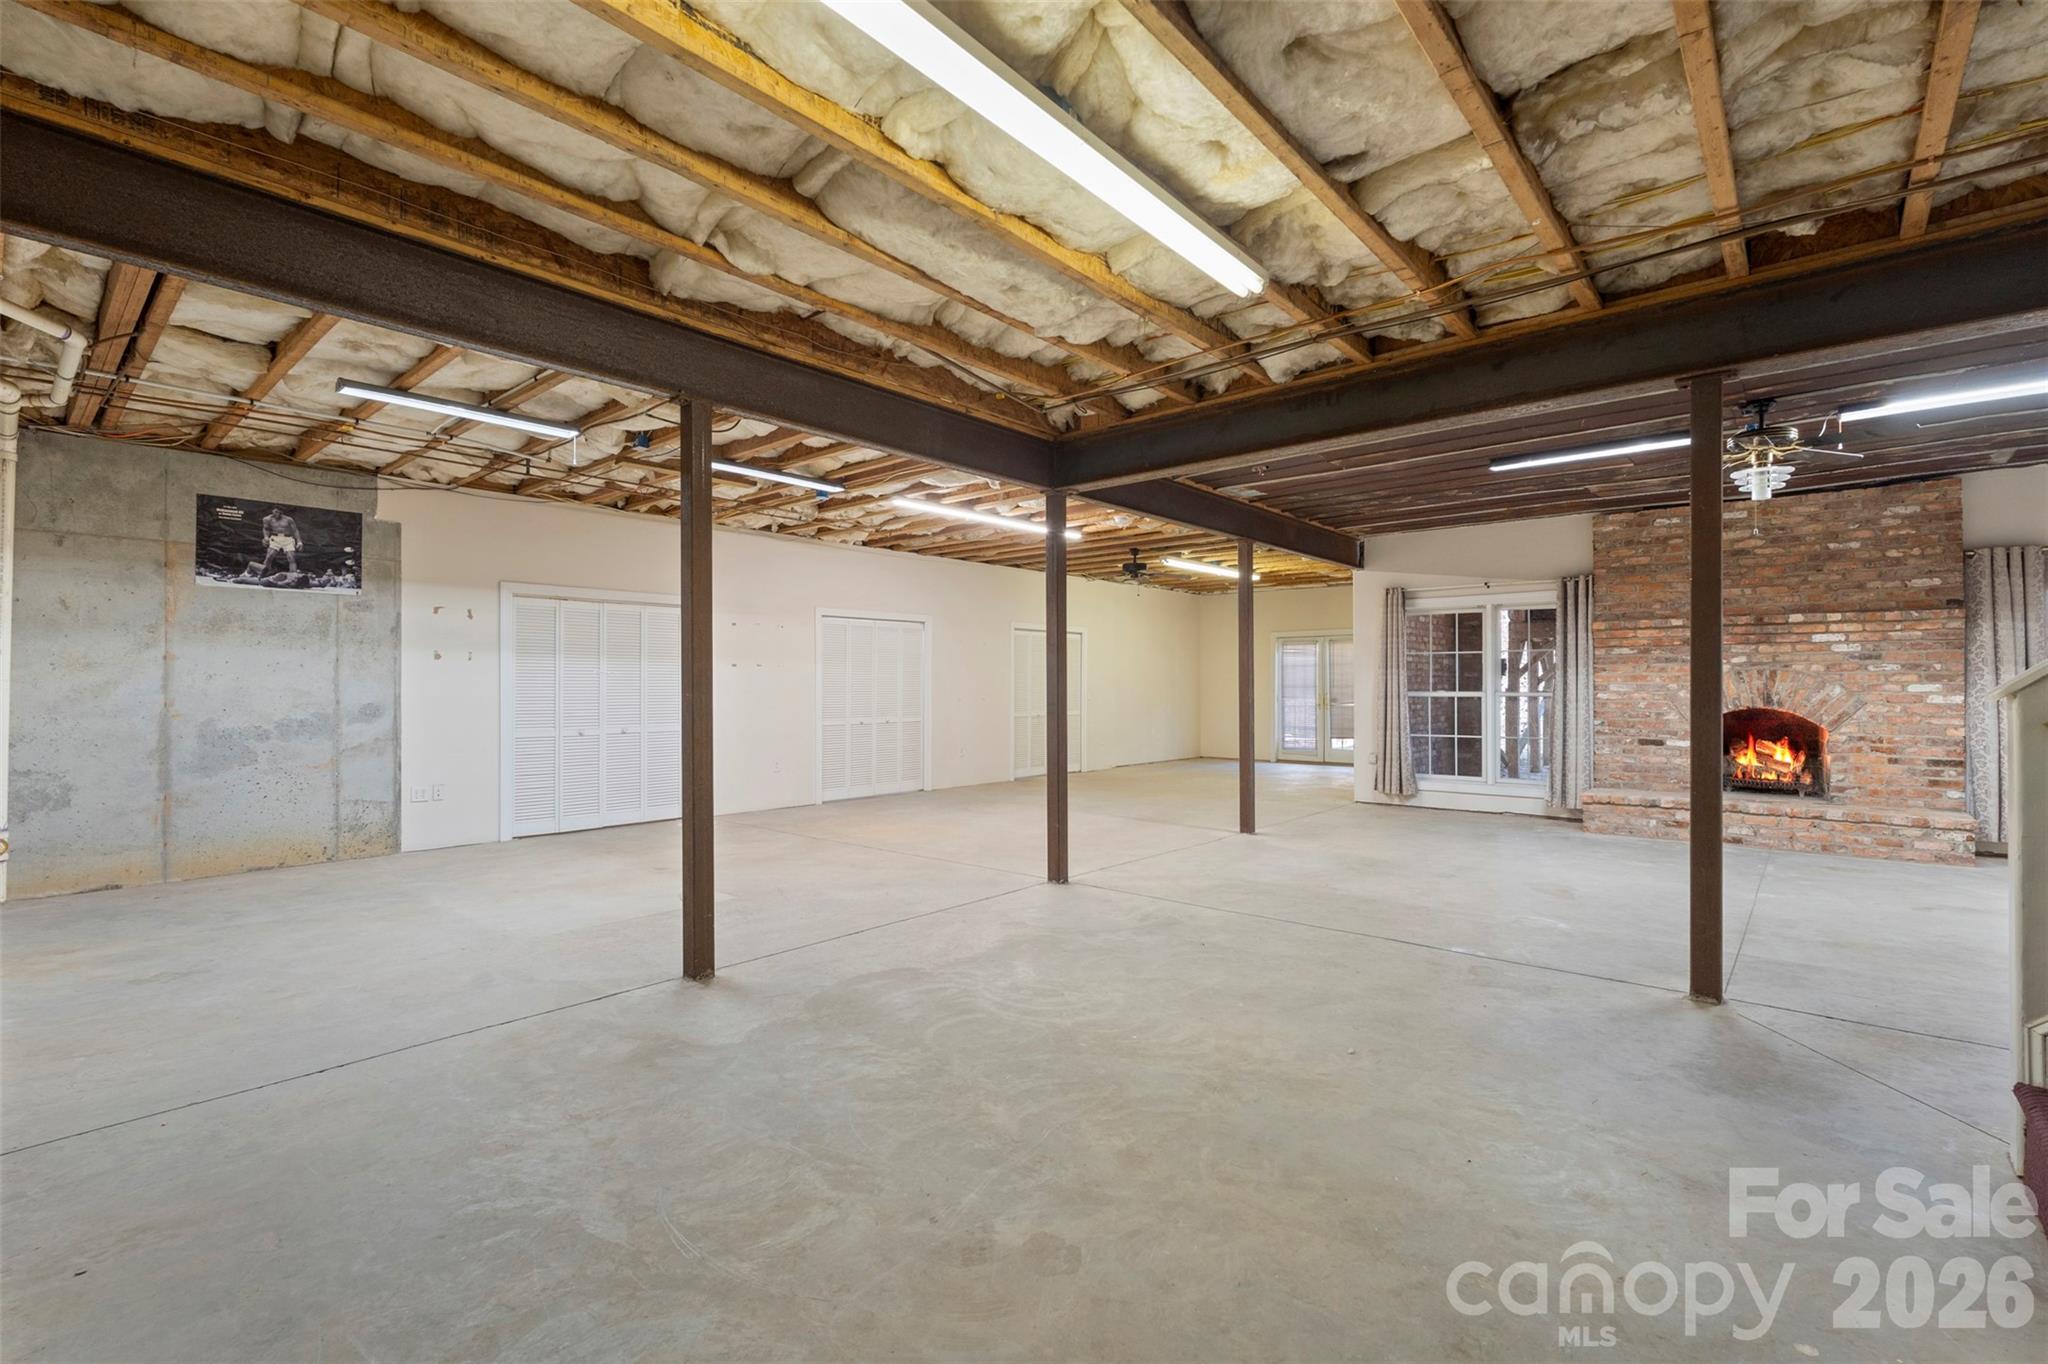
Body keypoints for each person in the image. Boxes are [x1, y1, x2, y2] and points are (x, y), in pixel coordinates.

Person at [251, 506, 303, 580]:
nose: (277, 513)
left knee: (291, 558)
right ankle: (262, 575)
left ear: (281, 512)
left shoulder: (288, 519)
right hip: (275, 538)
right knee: (269, 556)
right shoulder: (267, 519)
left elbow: (295, 530)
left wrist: (299, 541)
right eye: (275, 511)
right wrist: (266, 537)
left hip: (287, 538)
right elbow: (265, 529)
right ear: (272, 511)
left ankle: (293, 577)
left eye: (278, 512)